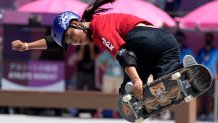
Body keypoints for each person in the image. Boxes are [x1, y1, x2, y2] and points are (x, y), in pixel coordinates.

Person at [12, 0, 185, 116]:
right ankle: (181, 75)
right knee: (167, 78)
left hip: (143, 40)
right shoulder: (93, 24)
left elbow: (124, 53)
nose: (76, 42)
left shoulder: (98, 28)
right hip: (167, 43)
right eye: (71, 42)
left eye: (72, 36)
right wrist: (27, 46)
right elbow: (54, 41)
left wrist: (137, 79)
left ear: (76, 23)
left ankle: (138, 89)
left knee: (127, 91)